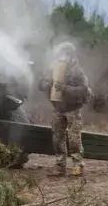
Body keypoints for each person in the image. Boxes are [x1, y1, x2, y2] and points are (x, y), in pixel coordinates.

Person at [37, 41, 91, 177]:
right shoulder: (53, 68)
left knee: (74, 139)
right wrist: (47, 84)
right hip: (58, 108)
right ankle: (60, 165)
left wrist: (65, 89)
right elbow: (40, 83)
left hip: (73, 109)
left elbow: (83, 90)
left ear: (71, 55)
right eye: (61, 53)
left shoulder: (77, 71)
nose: (63, 56)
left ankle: (78, 165)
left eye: (65, 53)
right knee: (57, 138)